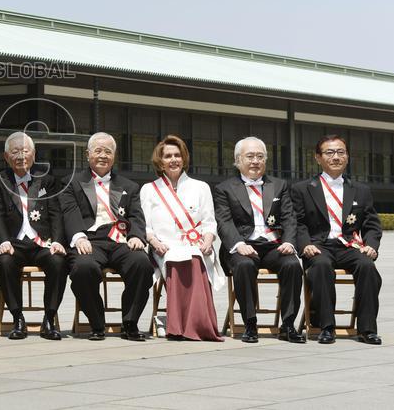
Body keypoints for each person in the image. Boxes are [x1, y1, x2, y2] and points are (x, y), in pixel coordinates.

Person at [291, 134, 382, 345]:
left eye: (341, 152)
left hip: (349, 245)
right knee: (321, 266)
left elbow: (371, 224)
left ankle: (367, 329)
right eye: (329, 152)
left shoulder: (361, 190)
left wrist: (371, 246)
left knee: (368, 267)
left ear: (347, 157)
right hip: (318, 246)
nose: (336, 157)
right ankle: (325, 327)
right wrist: (305, 245)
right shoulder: (302, 189)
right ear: (318, 158)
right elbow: (298, 223)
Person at [63, 132, 153, 341]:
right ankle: (96, 323)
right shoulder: (72, 183)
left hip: (120, 240)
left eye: (108, 151)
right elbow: (69, 213)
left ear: (114, 156)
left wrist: (137, 236)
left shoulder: (129, 186)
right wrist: (79, 238)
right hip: (90, 240)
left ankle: (130, 322)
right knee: (82, 268)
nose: (103, 155)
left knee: (142, 263)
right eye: (98, 150)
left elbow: (136, 215)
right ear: (87, 155)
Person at [215, 136, 304, 343]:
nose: (255, 161)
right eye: (250, 156)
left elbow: (290, 218)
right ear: (238, 160)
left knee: (292, 265)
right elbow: (224, 222)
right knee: (244, 265)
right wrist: (239, 245)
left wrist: (289, 242)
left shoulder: (279, 185)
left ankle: (288, 325)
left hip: (274, 245)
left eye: (260, 156)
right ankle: (250, 324)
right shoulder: (224, 188)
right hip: (242, 245)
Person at [141, 135, 224, 341]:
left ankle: (199, 325)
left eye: (177, 155)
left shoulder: (201, 187)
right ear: (160, 161)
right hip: (164, 248)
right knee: (175, 258)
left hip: (196, 245)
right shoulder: (149, 190)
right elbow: (146, 226)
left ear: (184, 158)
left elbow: (209, 221)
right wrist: (154, 242)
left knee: (194, 257)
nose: (173, 159)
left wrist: (208, 240)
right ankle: (177, 325)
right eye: (168, 156)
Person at [0, 131, 67, 340]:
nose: (21, 156)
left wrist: (58, 242)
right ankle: (17, 319)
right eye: (15, 152)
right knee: (5, 262)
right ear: (6, 157)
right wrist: (3, 241)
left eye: (25, 151)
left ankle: (49, 318)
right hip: (13, 243)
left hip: (42, 242)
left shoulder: (47, 180)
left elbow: (55, 214)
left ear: (33, 154)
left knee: (58, 262)